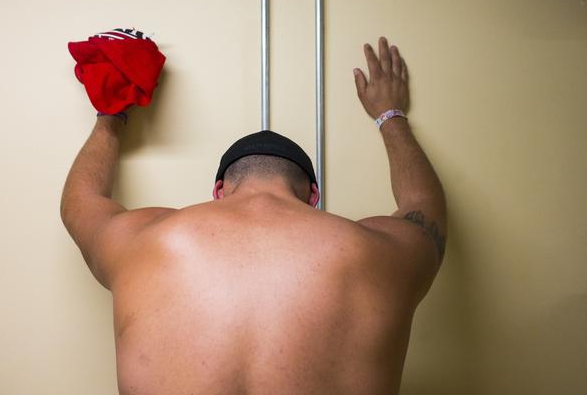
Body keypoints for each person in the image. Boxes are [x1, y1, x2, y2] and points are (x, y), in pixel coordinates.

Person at [60, 36, 447, 395]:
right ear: (313, 195)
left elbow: (81, 201)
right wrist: (389, 114)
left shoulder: (143, 241)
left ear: (218, 191)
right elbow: (424, 205)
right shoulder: (377, 253)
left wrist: (111, 114)